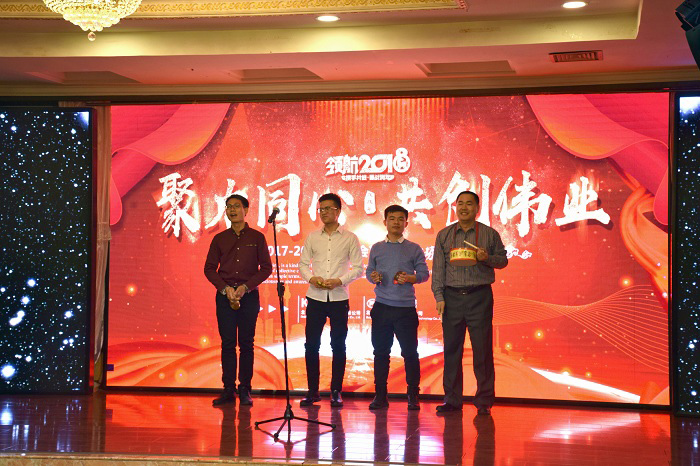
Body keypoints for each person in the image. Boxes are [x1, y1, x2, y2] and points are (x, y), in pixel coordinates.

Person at [431, 191, 508, 415]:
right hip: (452, 297)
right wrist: (439, 297)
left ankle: (484, 401)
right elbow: (438, 270)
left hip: (479, 296)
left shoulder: (489, 234)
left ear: (477, 209)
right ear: (455, 207)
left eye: (469, 204)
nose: (464, 208)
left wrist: (487, 258)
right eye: (460, 204)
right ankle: (452, 400)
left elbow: (503, 261)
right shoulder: (444, 235)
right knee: (451, 351)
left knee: (482, 350)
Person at [204, 194, 272, 406]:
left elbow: (266, 268)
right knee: (227, 344)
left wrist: (246, 287)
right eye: (228, 207)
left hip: (248, 297)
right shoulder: (220, 239)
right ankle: (228, 389)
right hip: (225, 297)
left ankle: (245, 389)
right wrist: (225, 289)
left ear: (246, 210)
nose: (232, 210)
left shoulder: (257, 237)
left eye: (236, 206)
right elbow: (209, 268)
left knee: (246, 344)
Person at [298, 193, 363, 407]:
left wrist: (339, 281)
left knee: (338, 345)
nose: (324, 212)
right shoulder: (312, 237)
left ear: (338, 211)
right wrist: (311, 278)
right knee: (311, 345)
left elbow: (358, 268)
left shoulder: (350, 238)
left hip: (338, 298)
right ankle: (313, 391)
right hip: (315, 298)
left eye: (328, 208)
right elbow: (303, 264)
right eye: (321, 209)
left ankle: (336, 391)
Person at [365, 205, 429, 410]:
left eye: (400, 219)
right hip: (382, 307)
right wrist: (373, 276)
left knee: (410, 353)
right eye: (391, 218)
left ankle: (413, 395)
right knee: (380, 353)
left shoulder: (414, 248)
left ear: (406, 223)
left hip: (405, 309)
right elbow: (369, 272)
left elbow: (424, 274)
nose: (396, 222)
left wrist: (409, 278)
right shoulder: (376, 248)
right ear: (385, 222)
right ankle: (380, 396)